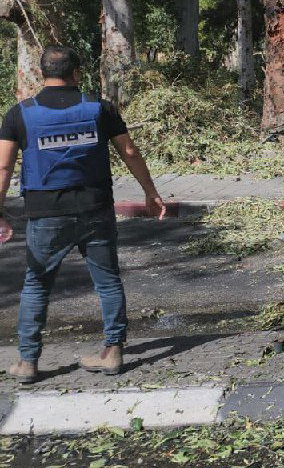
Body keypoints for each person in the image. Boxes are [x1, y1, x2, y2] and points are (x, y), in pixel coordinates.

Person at [0, 46, 166, 384]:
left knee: (36, 284)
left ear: (42, 73)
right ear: (77, 73)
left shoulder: (19, 114)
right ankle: (113, 350)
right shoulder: (99, 109)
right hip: (95, 208)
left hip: (45, 213)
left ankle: (28, 361)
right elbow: (130, 152)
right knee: (107, 280)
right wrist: (151, 192)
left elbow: (3, 166)